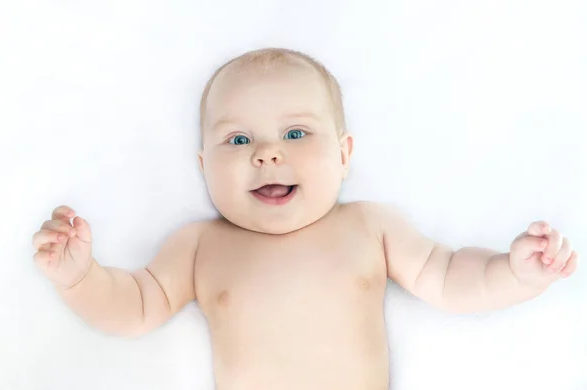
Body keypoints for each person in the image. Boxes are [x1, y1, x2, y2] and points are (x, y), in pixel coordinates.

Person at [31, 48, 580, 390]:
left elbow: (449, 278)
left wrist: (515, 273)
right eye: (238, 139)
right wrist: (80, 277)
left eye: (296, 133)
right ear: (204, 166)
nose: (268, 153)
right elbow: (136, 308)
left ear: (344, 155)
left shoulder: (370, 227)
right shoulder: (200, 245)